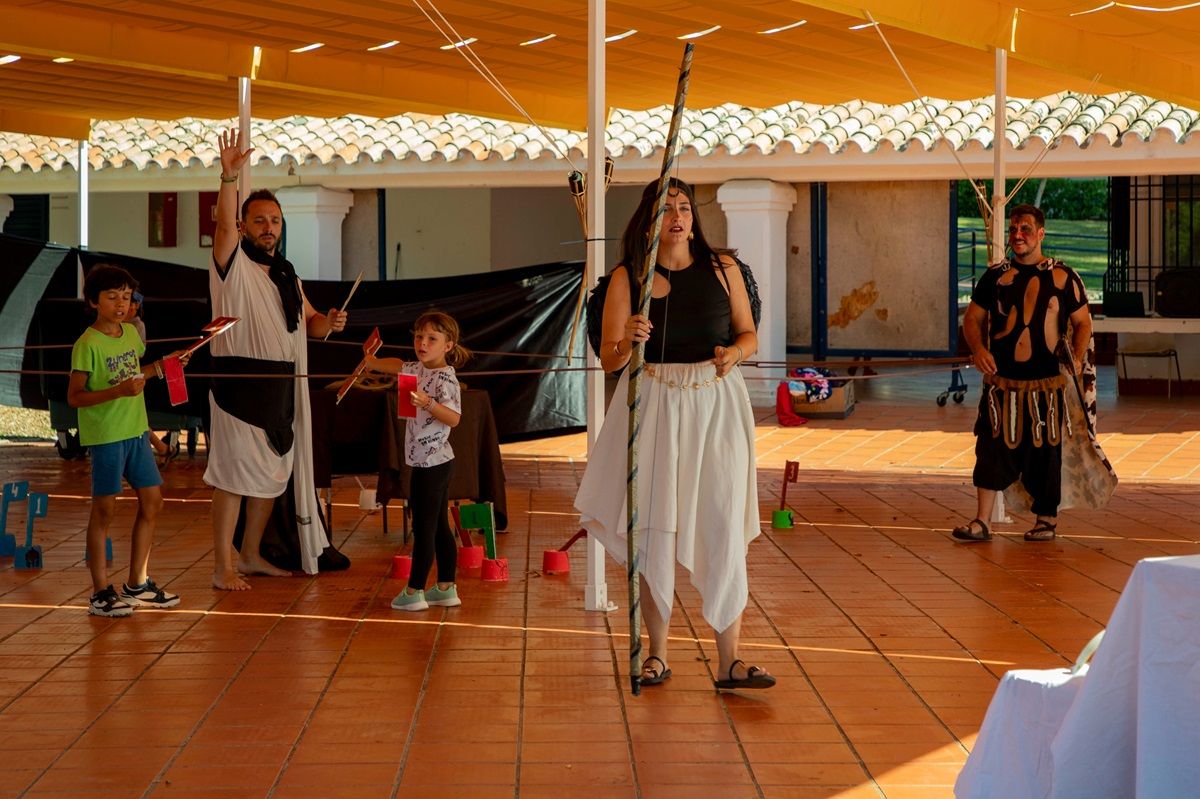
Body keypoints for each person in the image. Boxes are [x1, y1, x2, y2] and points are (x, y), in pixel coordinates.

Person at [574, 177, 775, 691]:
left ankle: (729, 660)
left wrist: (735, 353)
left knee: (724, 522)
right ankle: (657, 654)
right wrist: (631, 340)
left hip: (716, 404)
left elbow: (748, 334)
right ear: (650, 221)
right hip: (655, 403)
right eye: (666, 211)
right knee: (655, 526)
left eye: (684, 208)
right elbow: (610, 357)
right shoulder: (629, 278)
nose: (678, 218)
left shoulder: (724, 269)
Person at [205, 129, 348, 590]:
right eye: (260, 220)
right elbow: (223, 228)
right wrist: (229, 177)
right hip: (239, 382)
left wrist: (330, 321)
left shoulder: (288, 274)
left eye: (276, 221)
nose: (269, 227)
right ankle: (222, 566)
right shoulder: (232, 264)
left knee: (271, 473)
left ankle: (249, 555)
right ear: (245, 227)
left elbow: (310, 325)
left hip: (282, 383)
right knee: (231, 474)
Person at [953, 203, 1093, 543]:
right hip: (1002, 386)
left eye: (1025, 229)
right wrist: (979, 350)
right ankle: (982, 521)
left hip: (1045, 387)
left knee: (1045, 454)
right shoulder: (995, 277)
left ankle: (1045, 520)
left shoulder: (1063, 277)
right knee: (989, 450)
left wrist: (1076, 357)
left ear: (1040, 234)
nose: (1017, 235)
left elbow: (1083, 322)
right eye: (1014, 229)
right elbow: (971, 319)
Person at [68, 265, 190, 616]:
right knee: (104, 511)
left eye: (126, 297)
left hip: (135, 433)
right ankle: (100, 592)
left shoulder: (131, 335)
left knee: (153, 502)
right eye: (112, 297)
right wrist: (117, 391)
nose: (121, 304)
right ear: (93, 301)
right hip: (107, 437)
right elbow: (75, 397)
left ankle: (138, 582)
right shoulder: (87, 344)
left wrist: (167, 365)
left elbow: (139, 374)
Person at [365, 311, 469, 611]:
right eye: (419, 336)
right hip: (425, 463)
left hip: (434, 464)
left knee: (423, 527)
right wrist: (371, 362)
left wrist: (428, 403)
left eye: (432, 339)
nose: (422, 343)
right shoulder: (416, 368)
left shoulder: (445, 379)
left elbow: (455, 418)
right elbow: (397, 365)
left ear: (448, 345)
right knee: (437, 525)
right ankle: (446, 587)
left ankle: (414, 590)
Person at [127, 291, 178, 466]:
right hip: (125, 377)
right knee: (136, 417)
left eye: (134, 304)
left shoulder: (136, 326)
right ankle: (161, 448)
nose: (131, 307)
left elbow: (138, 352)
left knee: (136, 417)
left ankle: (159, 449)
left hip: (133, 375)